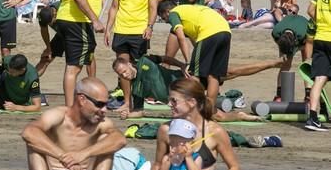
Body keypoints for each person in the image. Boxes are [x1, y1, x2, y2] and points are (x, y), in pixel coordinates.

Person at [21, 77, 126, 170]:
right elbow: (28, 133)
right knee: (34, 144)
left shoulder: (101, 123)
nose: (104, 110)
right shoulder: (58, 116)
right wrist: (63, 156)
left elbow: (120, 140)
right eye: (99, 104)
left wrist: (82, 155)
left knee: (106, 143)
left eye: (106, 105)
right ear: (82, 99)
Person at [144, 78, 240, 170]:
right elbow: (157, 163)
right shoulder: (166, 130)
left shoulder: (214, 132)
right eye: (169, 100)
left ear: (192, 102)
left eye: (174, 101)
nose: (169, 105)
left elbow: (234, 167)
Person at [112, 54, 282, 122]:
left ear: (128, 64)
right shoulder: (136, 89)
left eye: (124, 71)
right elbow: (140, 111)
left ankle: (272, 63)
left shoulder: (144, 61)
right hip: (188, 99)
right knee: (217, 117)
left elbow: (165, 58)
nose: (125, 75)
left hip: (189, 78)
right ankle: (242, 116)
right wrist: (129, 115)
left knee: (232, 72)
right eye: (121, 75)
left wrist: (182, 65)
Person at [105, 0, 158, 118]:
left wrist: (150, 26)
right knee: (123, 69)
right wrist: (108, 29)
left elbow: (153, 7)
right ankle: (127, 103)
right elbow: (114, 7)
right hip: (121, 31)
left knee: (138, 69)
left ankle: (139, 105)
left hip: (139, 32)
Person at [158, 0, 231, 119]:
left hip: (208, 32)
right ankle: (209, 111)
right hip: (225, 30)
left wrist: (188, 62)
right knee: (214, 75)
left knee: (194, 74)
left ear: (166, 11)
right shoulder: (190, 10)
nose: (167, 22)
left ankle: (190, 110)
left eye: (164, 19)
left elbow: (181, 37)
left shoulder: (174, 13)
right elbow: (195, 42)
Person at [35, 3, 94, 78]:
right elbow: (44, 30)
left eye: (51, 23)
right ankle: (29, 83)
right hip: (62, 34)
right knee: (45, 59)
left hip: (78, 33)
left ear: (55, 14)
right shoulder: (44, 15)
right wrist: (48, 48)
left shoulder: (64, 10)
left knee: (88, 58)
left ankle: (92, 82)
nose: (50, 25)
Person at [305, 0, 331, 131]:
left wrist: (322, 23)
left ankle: (313, 118)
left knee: (320, 78)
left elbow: (310, 10)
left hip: (320, 37)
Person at [271, 13, 313, 103]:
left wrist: (300, 48)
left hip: (306, 36)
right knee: (285, 64)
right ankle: (279, 94)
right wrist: (283, 54)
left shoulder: (303, 32)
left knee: (306, 64)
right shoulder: (276, 31)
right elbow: (277, 42)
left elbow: (309, 42)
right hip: (289, 35)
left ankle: (308, 95)